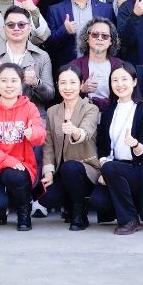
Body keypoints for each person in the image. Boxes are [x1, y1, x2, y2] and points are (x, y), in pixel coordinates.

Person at [88, 63, 143, 234]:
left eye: (124, 79)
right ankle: (128, 206)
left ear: (134, 81)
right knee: (98, 201)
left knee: (111, 168)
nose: (119, 84)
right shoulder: (108, 111)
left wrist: (135, 144)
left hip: (138, 169)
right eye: (115, 80)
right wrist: (104, 167)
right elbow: (102, 146)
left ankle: (130, 220)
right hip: (113, 167)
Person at [0, 63, 46, 230]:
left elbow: (40, 136)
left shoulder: (29, 107)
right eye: (4, 80)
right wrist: (8, 160)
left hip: (20, 169)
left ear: (21, 83)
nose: (9, 85)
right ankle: (1, 211)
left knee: (13, 174)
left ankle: (24, 212)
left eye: (14, 81)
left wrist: (33, 134)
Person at [39, 64, 101, 230]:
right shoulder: (52, 111)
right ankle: (69, 205)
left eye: (73, 82)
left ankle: (80, 212)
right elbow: (48, 144)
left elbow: (86, 132)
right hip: (62, 170)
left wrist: (75, 131)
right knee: (46, 196)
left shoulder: (90, 108)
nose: (68, 87)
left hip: (86, 168)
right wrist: (48, 171)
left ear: (81, 85)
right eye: (63, 83)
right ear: (57, 85)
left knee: (70, 167)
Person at [0, 6, 55, 108]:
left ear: (30, 27)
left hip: (32, 114)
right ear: (4, 29)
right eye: (11, 25)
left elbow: (49, 96)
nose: (16, 28)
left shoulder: (42, 56)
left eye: (21, 25)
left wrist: (36, 83)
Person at [44, 0, 115, 69]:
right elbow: (48, 45)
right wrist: (64, 31)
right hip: (68, 71)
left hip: (99, 69)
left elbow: (114, 42)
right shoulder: (55, 10)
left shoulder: (106, 9)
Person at [70, 17, 127, 110]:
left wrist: (95, 101)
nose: (100, 38)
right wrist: (82, 90)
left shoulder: (120, 66)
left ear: (111, 41)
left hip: (114, 114)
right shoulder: (74, 66)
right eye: (95, 35)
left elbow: (126, 98)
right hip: (83, 115)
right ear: (87, 39)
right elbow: (66, 98)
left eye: (105, 36)